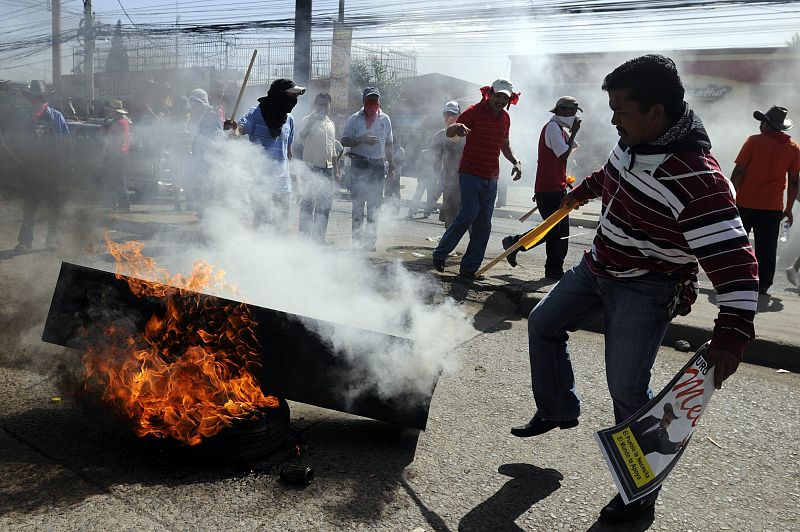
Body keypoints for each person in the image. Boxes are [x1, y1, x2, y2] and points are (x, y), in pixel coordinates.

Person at [509, 55, 758, 523]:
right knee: (543, 323)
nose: (612, 120)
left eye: (621, 111)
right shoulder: (635, 139)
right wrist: (583, 190)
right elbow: (615, 173)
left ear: (656, 112)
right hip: (598, 265)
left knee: (626, 390)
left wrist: (732, 334)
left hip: (647, 287)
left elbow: (736, 262)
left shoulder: (698, 181)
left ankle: (640, 493)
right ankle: (558, 409)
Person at [431, 79, 523, 279]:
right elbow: (449, 132)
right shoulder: (472, 112)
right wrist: (459, 128)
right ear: (489, 94)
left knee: (484, 223)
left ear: (509, 100)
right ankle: (440, 253)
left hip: (491, 177)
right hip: (470, 173)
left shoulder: (505, 118)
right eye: (497, 95)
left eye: (504, 98)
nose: (500, 100)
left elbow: (505, 144)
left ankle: (469, 269)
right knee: (468, 214)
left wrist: (515, 161)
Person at [503, 96, 582, 278]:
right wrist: (575, 132)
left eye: (575, 112)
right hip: (549, 189)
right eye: (570, 111)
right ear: (560, 110)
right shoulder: (553, 127)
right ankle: (514, 242)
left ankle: (554, 270)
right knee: (552, 229)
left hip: (556, 187)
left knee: (561, 233)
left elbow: (564, 155)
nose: (574, 115)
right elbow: (563, 154)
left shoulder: (560, 129)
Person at [730, 105, 800, 295]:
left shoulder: (753, 142)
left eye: (763, 121)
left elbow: (738, 172)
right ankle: (763, 284)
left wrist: (729, 195)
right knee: (767, 248)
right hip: (772, 208)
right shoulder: (793, 148)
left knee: (738, 244)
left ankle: (735, 279)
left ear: (767, 125)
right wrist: (789, 208)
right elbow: (794, 182)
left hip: (745, 203)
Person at [224, 78, 305, 232]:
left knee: (280, 231)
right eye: (292, 96)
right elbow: (238, 132)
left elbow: (289, 154)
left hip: (283, 187)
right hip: (261, 187)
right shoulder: (255, 114)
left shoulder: (290, 120)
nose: (295, 101)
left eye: (296, 97)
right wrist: (231, 129)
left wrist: (297, 182)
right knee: (262, 231)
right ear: (279, 95)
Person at [9, 80, 70, 251]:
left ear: (45, 99)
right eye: (34, 98)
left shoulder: (56, 116)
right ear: (30, 99)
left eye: (40, 98)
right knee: (29, 207)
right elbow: (16, 141)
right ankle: (25, 241)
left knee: (54, 207)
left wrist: (66, 166)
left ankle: (52, 239)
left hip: (53, 170)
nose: (37, 101)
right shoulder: (22, 116)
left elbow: (66, 143)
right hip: (31, 169)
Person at [341, 87, 395, 251]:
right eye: (370, 100)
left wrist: (391, 167)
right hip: (359, 165)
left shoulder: (385, 119)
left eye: (375, 100)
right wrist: (360, 139)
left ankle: (370, 242)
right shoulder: (354, 119)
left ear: (379, 101)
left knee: (374, 206)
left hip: (377, 166)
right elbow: (344, 141)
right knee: (358, 206)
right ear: (364, 101)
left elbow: (389, 144)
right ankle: (357, 242)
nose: (373, 103)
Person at [297, 92, 338, 243]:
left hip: (327, 169)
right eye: (319, 104)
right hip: (311, 168)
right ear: (315, 105)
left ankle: (319, 237)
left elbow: (332, 149)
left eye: (325, 104)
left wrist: (336, 169)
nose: (322, 107)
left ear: (329, 106)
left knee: (324, 206)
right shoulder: (307, 120)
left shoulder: (331, 124)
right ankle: (304, 237)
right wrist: (310, 124)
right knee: (308, 203)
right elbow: (300, 139)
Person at [185, 88, 223, 216]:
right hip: (200, 157)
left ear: (201, 102)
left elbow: (218, 137)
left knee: (208, 185)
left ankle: (209, 214)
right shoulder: (200, 115)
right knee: (200, 183)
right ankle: (203, 211)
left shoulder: (212, 115)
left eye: (195, 103)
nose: (192, 107)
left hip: (209, 157)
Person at [102, 99, 132, 212]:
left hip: (116, 155)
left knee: (116, 180)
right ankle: (118, 204)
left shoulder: (118, 123)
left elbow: (108, 136)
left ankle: (122, 204)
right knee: (116, 180)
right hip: (119, 154)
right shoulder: (123, 122)